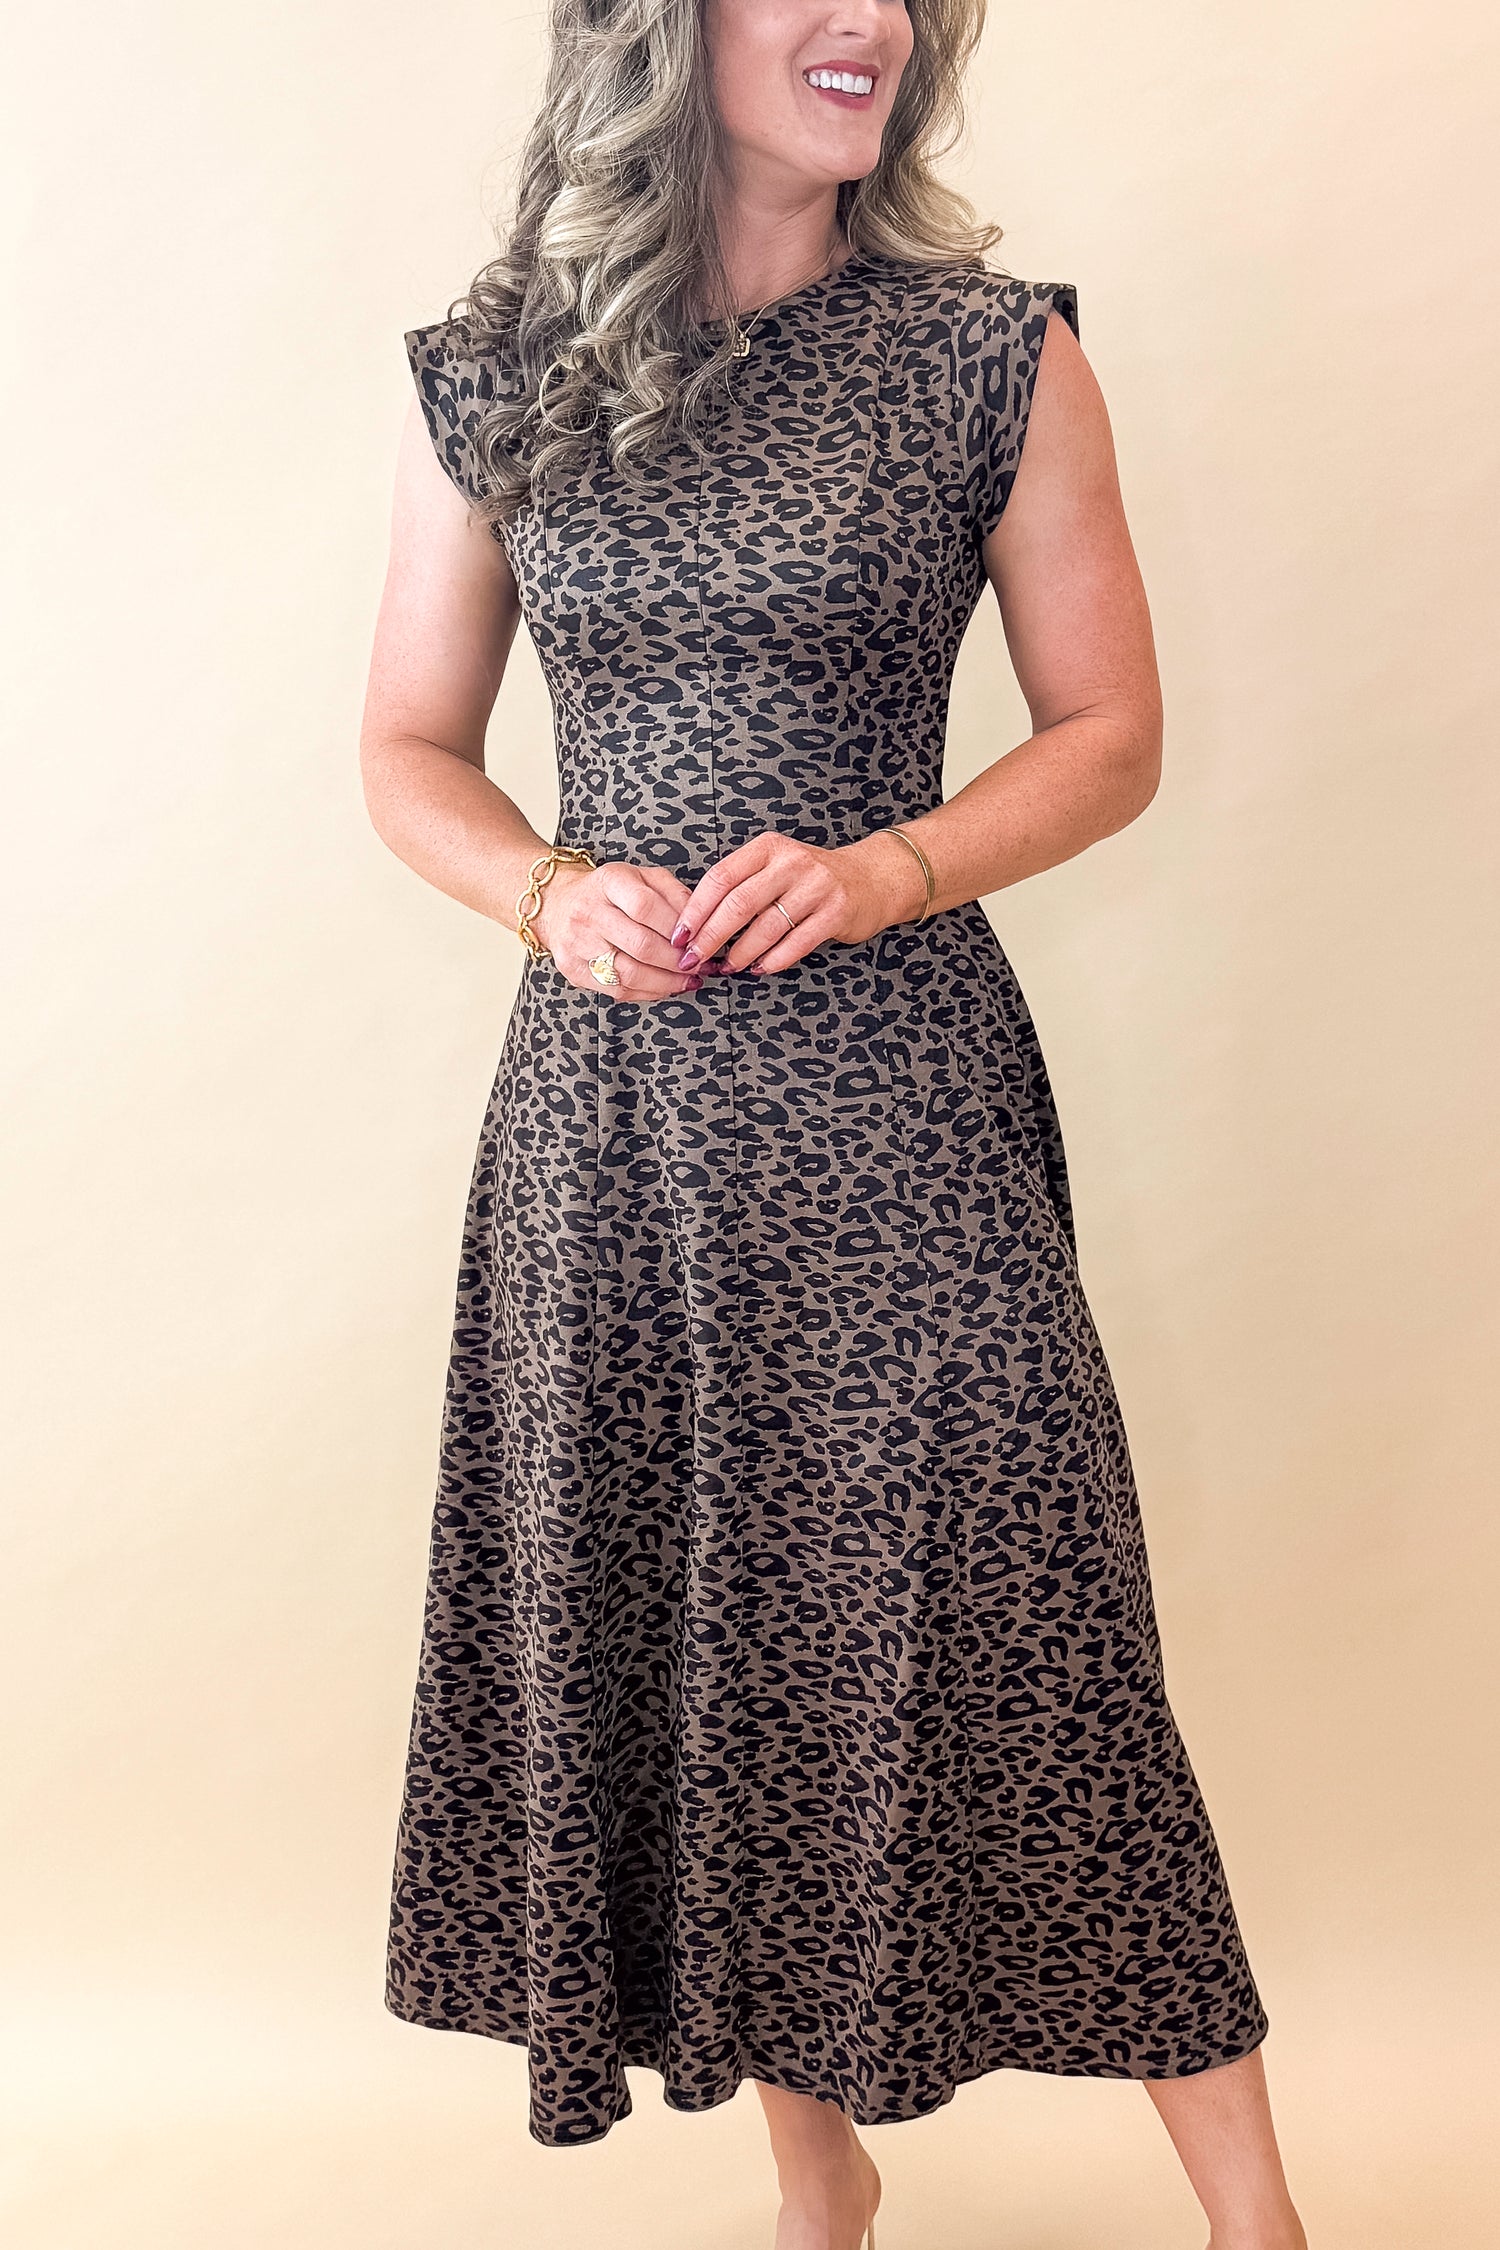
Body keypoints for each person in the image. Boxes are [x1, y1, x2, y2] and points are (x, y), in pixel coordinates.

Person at [361, 1, 1307, 2244]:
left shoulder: (995, 357)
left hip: (905, 1099)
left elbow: (1107, 731)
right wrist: (550, 891)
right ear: (661, 32)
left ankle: (1263, 2223)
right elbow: (410, 748)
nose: (869, 15)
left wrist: (887, 868)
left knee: (1037, 1622)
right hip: (622, 1120)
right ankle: (819, 2186)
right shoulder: (493, 371)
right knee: (711, 1622)